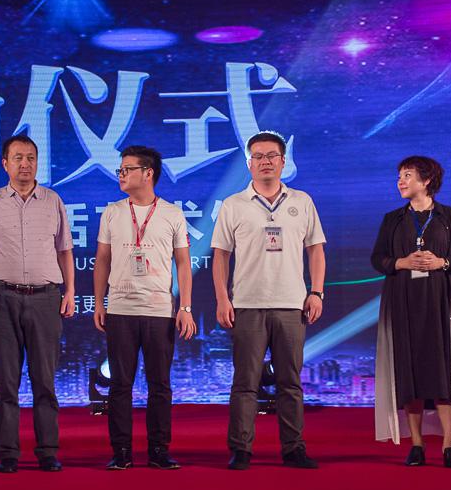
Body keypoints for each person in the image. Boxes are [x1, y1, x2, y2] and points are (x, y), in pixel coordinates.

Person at [211, 131, 326, 470]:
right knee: (245, 383)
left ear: (283, 161)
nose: (265, 162)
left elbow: (316, 250)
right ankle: (241, 449)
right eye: (258, 156)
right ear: (249, 163)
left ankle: (294, 449)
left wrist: (316, 291)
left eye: (271, 156)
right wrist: (222, 299)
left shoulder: (301, 201)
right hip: (247, 304)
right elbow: (220, 256)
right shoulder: (233, 204)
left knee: (290, 382)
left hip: (292, 304)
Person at [0, 134, 76, 474]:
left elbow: (64, 250)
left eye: (31, 157)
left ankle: (47, 451)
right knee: (7, 383)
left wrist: (70, 292)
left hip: (46, 297)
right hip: (2, 297)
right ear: (5, 163)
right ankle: (8, 454)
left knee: (45, 381)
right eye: (18, 158)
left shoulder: (52, 200)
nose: (25, 164)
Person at [370, 157, 451, 468]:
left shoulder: (449, 216)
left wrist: (442, 262)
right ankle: (416, 444)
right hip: (402, 302)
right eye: (399, 176)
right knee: (409, 374)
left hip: (440, 301)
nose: (400, 182)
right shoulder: (392, 219)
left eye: (407, 175)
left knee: (442, 373)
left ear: (427, 180)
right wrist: (401, 263)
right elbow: (378, 258)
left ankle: (449, 445)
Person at [93, 146, 197, 470]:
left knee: (160, 385)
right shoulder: (112, 212)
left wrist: (186, 307)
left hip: (159, 310)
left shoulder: (172, 213)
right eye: (120, 170)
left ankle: (159, 450)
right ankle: (121, 451)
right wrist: (99, 302)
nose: (121, 175)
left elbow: (183, 263)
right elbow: (103, 260)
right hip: (120, 310)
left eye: (127, 169)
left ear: (148, 173)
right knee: (120, 385)